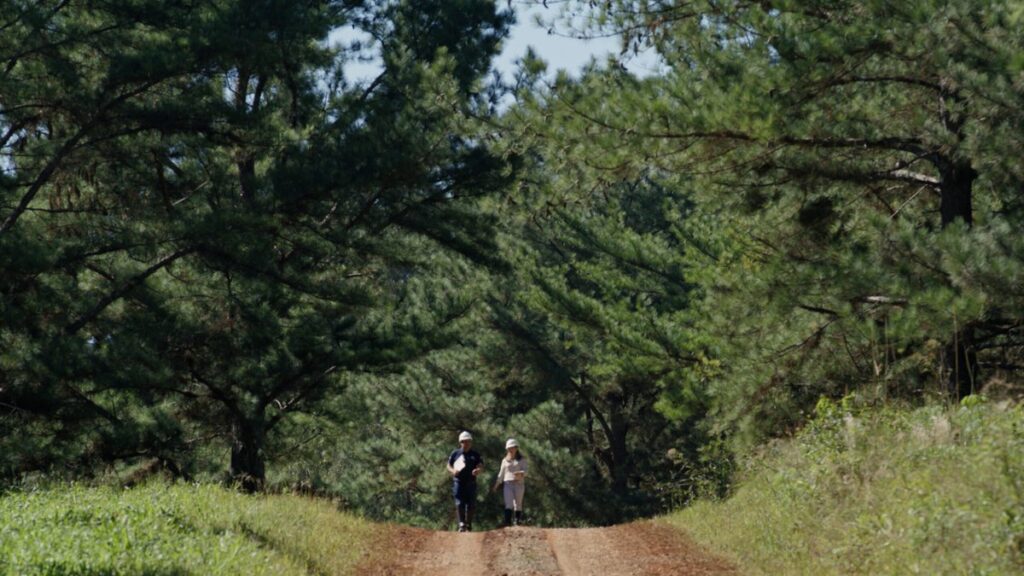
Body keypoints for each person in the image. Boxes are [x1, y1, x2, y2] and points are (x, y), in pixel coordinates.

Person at [447, 430, 483, 532]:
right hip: (458, 482)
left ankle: (468, 523)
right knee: (459, 503)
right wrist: (453, 470)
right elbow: (448, 465)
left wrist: (478, 470)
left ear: (471, 442)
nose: (465, 443)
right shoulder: (455, 453)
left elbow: (480, 464)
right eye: (463, 441)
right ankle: (461, 524)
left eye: (467, 441)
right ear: (460, 442)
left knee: (471, 504)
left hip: (471, 482)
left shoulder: (475, 454)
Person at [492, 438, 527, 526]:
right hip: (508, 484)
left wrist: (521, 473)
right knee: (508, 503)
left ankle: (517, 521)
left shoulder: (522, 459)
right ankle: (507, 522)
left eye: (512, 447)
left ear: (516, 448)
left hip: (519, 483)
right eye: (509, 448)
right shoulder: (504, 460)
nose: (510, 449)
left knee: (518, 503)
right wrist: (496, 485)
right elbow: (501, 474)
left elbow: (526, 471)